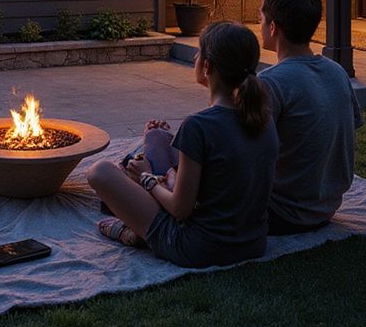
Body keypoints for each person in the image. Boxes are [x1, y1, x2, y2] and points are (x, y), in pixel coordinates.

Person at [87, 21, 278, 268]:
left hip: (197, 247)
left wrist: (147, 179)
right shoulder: (264, 119)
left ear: (207, 66)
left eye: (199, 53)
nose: (196, 58)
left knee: (99, 172)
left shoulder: (198, 126)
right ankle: (136, 218)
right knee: (158, 140)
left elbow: (180, 210)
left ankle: (133, 230)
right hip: (252, 243)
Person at [257, 0, 364, 235]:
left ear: (273, 28)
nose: (258, 26)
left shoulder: (270, 83)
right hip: (324, 207)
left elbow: (245, 153)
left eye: (260, 19)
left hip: (281, 212)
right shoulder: (336, 71)